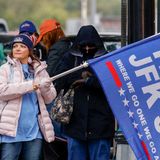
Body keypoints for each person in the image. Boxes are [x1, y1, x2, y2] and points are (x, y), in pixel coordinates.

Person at [54, 25, 115, 160]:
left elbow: (112, 84)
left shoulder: (107, 59)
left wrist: (89, 81)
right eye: (84, 45)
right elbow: (59, 80)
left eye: (91, 45)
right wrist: (80, 76)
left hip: (100, 124)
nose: (87, 49)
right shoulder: (69, 58)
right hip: (75, 124)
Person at [0, 34, 57, 160]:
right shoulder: (4, 69)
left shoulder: (40, 70)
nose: (18, 49)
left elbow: (50, 98)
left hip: (34, 131)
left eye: (22, 46)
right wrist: (32, 85)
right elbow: (2, 91)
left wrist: (45, 88)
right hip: (10, 131)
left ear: (30, 50)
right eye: (15, 46)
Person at [36, 19, 71, 160]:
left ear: (50, 34)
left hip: (56, 97)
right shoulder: (68, 44)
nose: (43, 41)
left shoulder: (57, 48)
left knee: (54, 137)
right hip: (67, 95)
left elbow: (49, 75)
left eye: (44, 37)